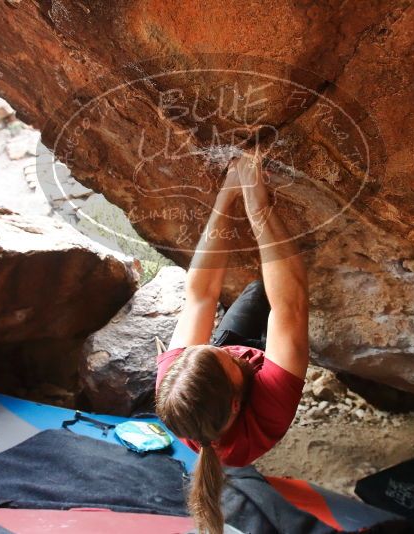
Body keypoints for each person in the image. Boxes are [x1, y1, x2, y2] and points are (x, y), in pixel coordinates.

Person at [155, 151, 309, 534]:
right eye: (221, 356)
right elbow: (290, 306)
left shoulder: (176, 384)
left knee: (260, 287)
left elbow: (201, 295)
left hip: (228, 381)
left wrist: (228, 193)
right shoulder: (270, 407)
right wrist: (258, 206)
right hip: (259, 384)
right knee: (288, 281)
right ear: (237, 399)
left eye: (206, 348)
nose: (216, 344)